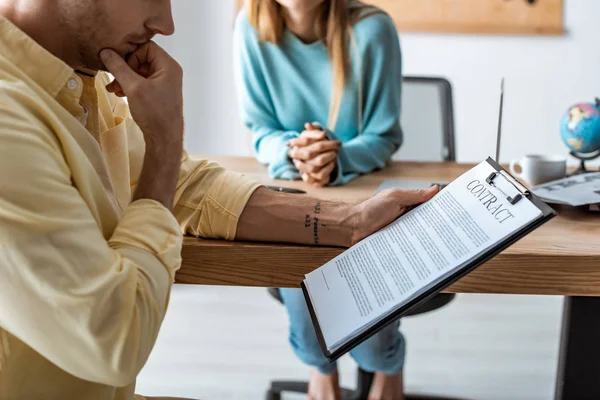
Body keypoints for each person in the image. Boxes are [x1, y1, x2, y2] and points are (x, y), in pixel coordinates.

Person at [0, 0, 437, 399]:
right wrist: (165, 142)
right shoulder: (9, 121)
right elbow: (114, 341)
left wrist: (352, 220)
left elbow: (190, 187)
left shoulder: (82, 75)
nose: (166, 25)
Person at [234, 1, 406, 398]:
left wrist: (336, 157)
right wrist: (297, 151)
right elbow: (260, 130)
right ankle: (320, 368)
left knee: (374, 345)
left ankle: (388, 364)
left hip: (363, 192)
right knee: (313, 336)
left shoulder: (372, 30)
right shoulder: (250, 28)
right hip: (294, 192)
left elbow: (384, 136)